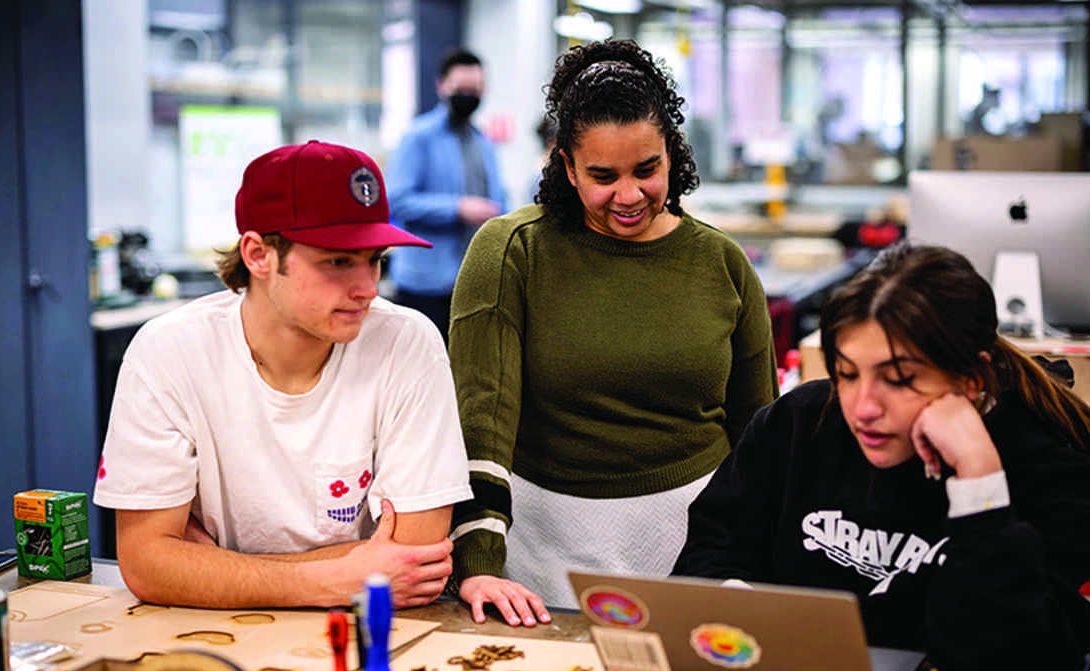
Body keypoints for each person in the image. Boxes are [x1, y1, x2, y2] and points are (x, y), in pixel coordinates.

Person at [673, 242, 1090, 671]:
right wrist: (738, 603)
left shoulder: (1049, 469)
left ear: (971, 379)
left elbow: (1008, 655)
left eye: (899, 380)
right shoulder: (797, 423)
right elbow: (709, 553)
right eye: (847, 374)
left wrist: (979, 483)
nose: (863, 408)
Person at [448, 39, 778, 626]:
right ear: (567, 168)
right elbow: (481, 419)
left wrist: (755, 558)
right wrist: (477, 562)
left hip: (696, 541)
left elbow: (760, 434)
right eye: (603, 176)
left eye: (646, 169)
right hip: (543, 549)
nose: (629, 196)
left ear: (671, 153)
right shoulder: (512, 252)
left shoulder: (722, 263)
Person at [93, 141, 473, 610]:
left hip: (369, 632)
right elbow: (146, 564)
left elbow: (415, 557)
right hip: (215, 636)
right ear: (258, 255)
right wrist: (337, 578)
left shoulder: (406, 343)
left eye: (375, 259)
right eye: (338, 261)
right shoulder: (168, 352)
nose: (367, 289)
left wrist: (211, 568)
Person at [387, 47, 507, 340]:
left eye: (475, 89)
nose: (469, 96)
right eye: (462, 89)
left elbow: (499, 198)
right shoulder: (418, 137)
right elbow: (396, 200)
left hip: (471, 283)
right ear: (442, 86)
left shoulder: (482, 142)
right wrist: (457, 208)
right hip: (425, 285)